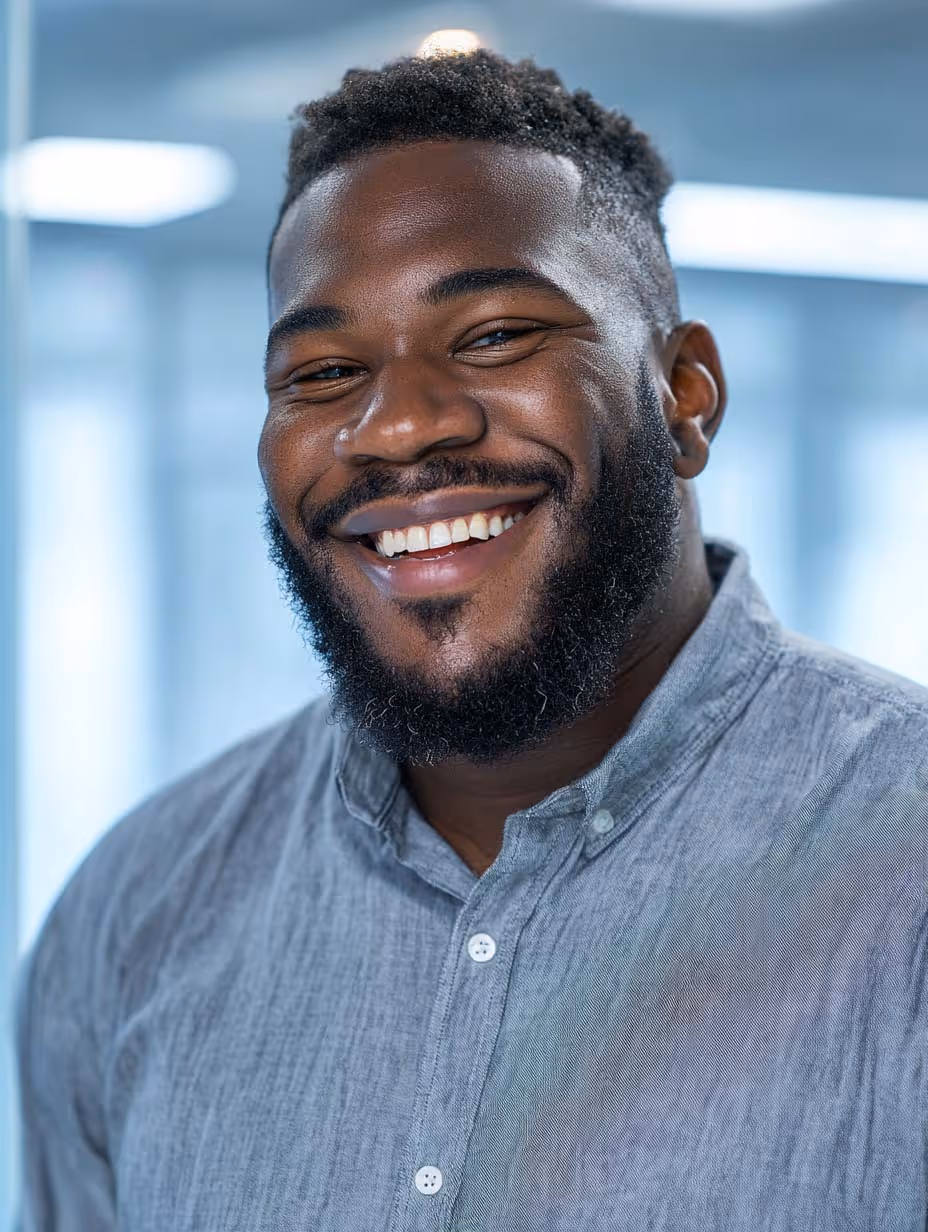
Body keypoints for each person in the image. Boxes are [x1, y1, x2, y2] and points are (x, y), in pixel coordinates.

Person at [14, 48, 928, 1232]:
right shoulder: (137, 912)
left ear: (685, 393)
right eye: (326, 370)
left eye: (494, 335)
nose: (397, 425)